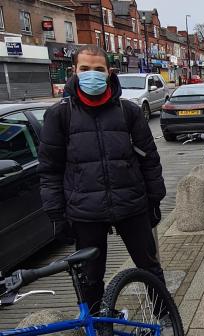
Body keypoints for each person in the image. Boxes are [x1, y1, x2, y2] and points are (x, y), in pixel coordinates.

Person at [37, 45, 166, 314]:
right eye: (85, 69)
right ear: (74, 72)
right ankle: (98, 323)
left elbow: (149, 159)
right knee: (90, 277)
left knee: (150, 266)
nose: (92, 75)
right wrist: (57, 214)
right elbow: (50, 169)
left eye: (99, 69)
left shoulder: (128, 111)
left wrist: (154, 199)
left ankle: (165, 314)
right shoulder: (59, 115)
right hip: (85, 210)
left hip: (131, 202)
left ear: (109, 73)